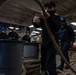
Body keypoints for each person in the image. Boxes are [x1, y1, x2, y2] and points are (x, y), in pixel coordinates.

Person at [33, 1, 61, 75]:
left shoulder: (57, 18)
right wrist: (34, 21)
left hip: (52, 43)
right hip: (44, 42)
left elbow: (56, 28)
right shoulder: (43, 18)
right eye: (47, 7)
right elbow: (37, 25)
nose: (48, 9)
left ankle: (51, 73)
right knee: (43, 58)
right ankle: (44, 71)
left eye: (50, 7)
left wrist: (49, 18)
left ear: (53, 8)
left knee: (50, 60)